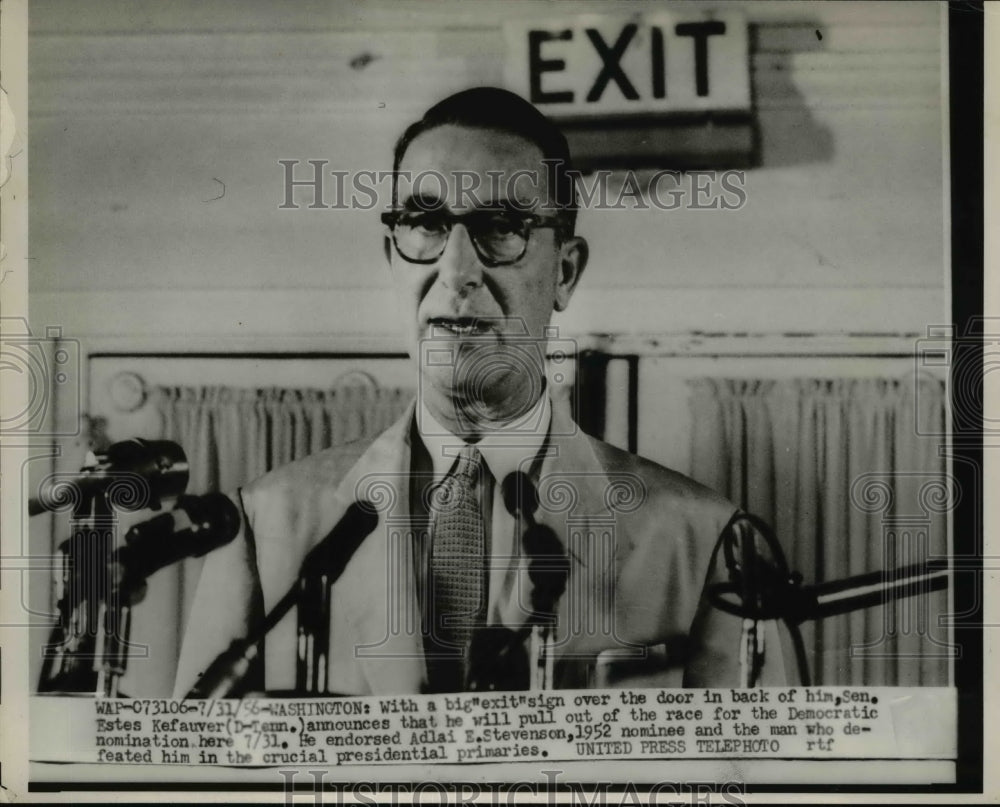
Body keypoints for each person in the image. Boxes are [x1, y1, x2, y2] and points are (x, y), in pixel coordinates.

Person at [174, 87, 782, 697]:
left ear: (565, 273)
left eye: (502, 226)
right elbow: (190, 781)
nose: (457, 270)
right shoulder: (265, 525)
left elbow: (760, 785)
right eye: (425, 223)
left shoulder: (704, 543)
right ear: (393, 258)